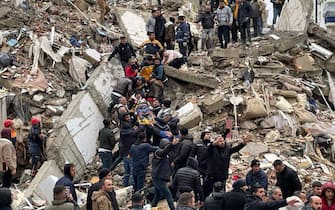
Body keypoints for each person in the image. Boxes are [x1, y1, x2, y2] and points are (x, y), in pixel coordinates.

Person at [151, 138, 179, 210]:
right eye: (166, 145)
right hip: (158, 177)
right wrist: (171, 145)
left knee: (157, 195)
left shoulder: (167, 155)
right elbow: (164, 152)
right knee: (168, 195)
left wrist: (174, 145)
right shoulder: (158, 152)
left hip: (160, 177)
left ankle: (152, 207)